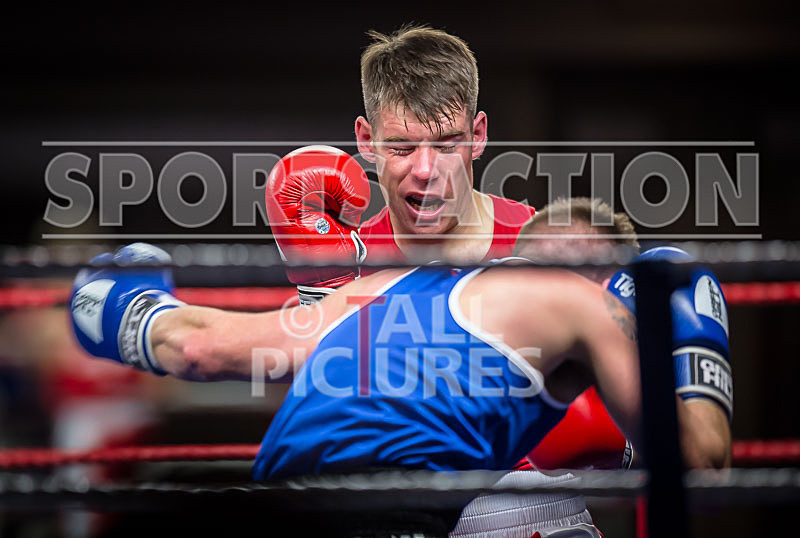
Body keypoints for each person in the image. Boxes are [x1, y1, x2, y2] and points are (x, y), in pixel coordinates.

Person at [68, 238, 731, 534]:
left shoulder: (379, 289)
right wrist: (694, 333)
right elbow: (700, 465)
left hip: (252, 510)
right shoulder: (587, 306)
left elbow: (196, 347)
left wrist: (121, 305)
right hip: (386, 520)